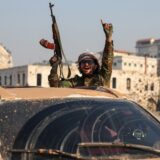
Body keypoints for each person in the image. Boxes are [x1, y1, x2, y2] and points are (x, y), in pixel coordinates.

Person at [40, 20, 113, 88]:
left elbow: (107, 61)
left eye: (89, 62)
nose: (86, 64)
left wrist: (108, 39)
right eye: (83, 62)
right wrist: (54, 67)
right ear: (80, 66)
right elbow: (56, 86)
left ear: (95, 65)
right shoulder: (75, 82)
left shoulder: (102, 78)